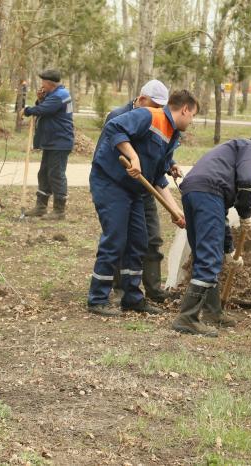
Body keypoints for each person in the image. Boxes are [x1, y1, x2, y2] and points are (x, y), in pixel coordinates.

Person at [87, 90, 198, 317]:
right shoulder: (150, 116)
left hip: (134, 189)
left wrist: (176, 211)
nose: (192, 120)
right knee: (115, 239)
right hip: (110, 181)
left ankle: (132, 298)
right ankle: (97, 298)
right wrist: (133, 156)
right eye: (193, 115)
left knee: (139, 240)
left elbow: (158, 177)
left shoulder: (172, 135)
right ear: (184, 109)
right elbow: (113, 128)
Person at [172, 134, 251, 337]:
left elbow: (221, 216)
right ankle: (187, 318)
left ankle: (212, 312)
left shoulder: (227, 159)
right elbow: (247, 180)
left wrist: (229, 250)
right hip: (206, 194)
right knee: (209, 258)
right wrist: (246, 213)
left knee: (205, 254)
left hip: (193, 191)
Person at [106, 79, 183, 303]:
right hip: (120, 187)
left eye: (161, 107)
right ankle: (120, 287)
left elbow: (156, 151)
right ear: (141, 99)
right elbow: (114, 147)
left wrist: (170, 163)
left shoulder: (159, 119)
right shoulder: (118, 116)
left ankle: (154, 288)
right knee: (122, 238)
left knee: (152, 237)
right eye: (154, 105)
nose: (158, 111)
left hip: (145, 187)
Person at [22, 69, 74, 220]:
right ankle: (41, 206)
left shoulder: (60, 96)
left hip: (60, 141)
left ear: (49, 83)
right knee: (44, 173)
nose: (42, 85)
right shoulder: (56, 94)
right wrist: (40, 99)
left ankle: (59, 210)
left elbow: (44, 109)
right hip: (53, 141)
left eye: (43, 82)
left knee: (56, 174)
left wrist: (27, 110)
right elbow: (46, 106)